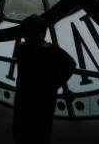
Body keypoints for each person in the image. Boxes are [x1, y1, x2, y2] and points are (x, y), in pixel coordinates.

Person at [13, 14, 76, 144]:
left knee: (21, 132)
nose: (27, 35)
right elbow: (70, 65)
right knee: (41, 133)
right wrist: (54, 85)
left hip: (22, 99)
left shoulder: (21, 49)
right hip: (44, 101)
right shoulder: (54, 52)